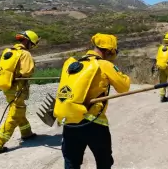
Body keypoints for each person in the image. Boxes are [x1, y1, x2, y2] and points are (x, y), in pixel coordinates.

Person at [56, 33, 131, 169]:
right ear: (109, 50)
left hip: (70, 121)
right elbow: (123, 87)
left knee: (71, 162)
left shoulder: (73, 64)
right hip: (94, 124)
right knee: (104, 162)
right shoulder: (104, 64)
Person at [0, 30, 40, 153]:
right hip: (18, 89)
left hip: (7, 88)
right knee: (15, 114)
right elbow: (27, 72)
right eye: (32, 45)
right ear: (28, 42)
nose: (32, 47)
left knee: (18, 110)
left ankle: (27, 133)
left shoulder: (9, 51)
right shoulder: (25, 54)